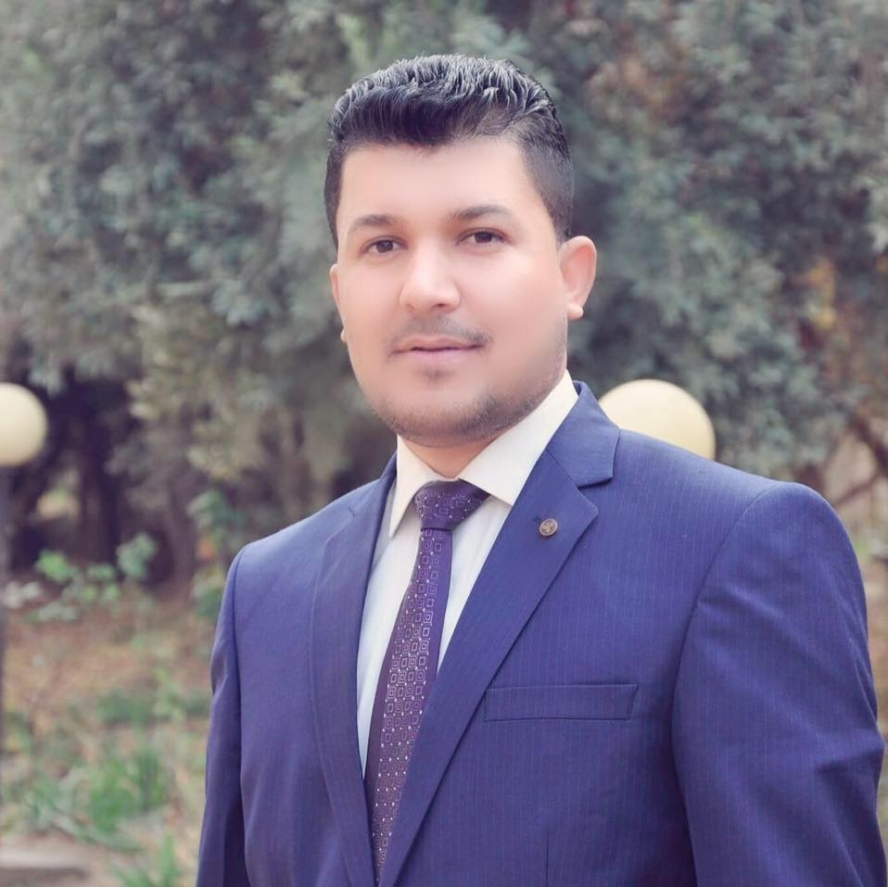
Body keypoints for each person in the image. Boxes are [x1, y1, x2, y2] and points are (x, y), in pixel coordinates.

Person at [196, 54, 886, 886]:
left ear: (570, 276)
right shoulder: (267, 592)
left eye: (479, 236)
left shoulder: (736, 549)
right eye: (383, 244)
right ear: (341, 294)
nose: (424, 288)